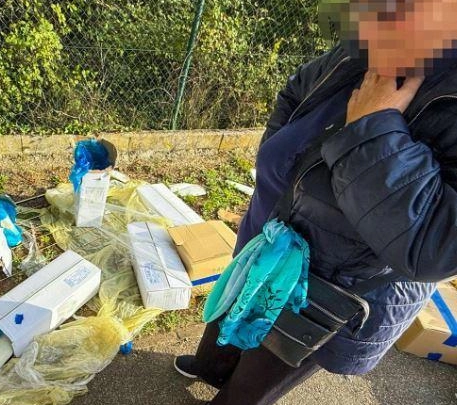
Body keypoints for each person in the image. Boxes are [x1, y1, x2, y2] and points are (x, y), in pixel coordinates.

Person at [174, 1, 457, 404]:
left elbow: (439, 246)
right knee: (231, 312)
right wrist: (276, 150)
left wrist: (372, 128)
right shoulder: (385, 32)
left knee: (263, 371)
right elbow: (299, 87)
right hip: (272, 230)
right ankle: (212, 368)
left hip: (332, 280)